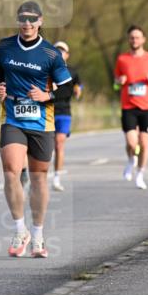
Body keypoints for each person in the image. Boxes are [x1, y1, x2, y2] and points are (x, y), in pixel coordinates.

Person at [0, 1, 72, 259]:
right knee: (10, 171)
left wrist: (46, 96)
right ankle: (19, 230)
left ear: (40, 21)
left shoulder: (50, 54)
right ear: (17, 21)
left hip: (41, 122)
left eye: (32, 19)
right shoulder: (4, 46)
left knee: (38, 179)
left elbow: (67, 88)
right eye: (22, 19)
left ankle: (37, 235)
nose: (27, 24)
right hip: (13, 117)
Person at [114, 25, 148, 189]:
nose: (134, 40)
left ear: (143, 39)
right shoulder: (122, 59)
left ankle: (140, 174)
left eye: (137, 37)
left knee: (144, 144)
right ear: (129, 40)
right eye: (132, 37)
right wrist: (119, 82)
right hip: (128, 106)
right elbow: (115, 82)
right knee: (132, 143)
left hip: (146, 108)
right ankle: (131, 161)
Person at [50, 41, 82, 191]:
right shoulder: (45, 69)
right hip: (47, 110)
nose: (60, 53)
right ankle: (38, 177)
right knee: (44, 147)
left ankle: (56, 178)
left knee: (59, 143)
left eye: (62, 51)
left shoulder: (73, 72)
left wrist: (78, 91)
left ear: (67, 55)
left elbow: (78, 85)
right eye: (57, 51)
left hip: (64, 111)